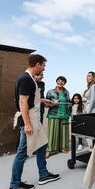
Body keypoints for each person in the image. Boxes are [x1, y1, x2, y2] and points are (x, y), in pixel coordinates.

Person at [10, 54, 60, 189]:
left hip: (35, 120)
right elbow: (23, 102)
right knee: (22, 153)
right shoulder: (26, 79)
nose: (44, 69)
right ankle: (14, 184)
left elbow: (31, 100)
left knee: (42, 145)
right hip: (29, 121)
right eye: (43, 66)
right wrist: (27, 124)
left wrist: (44, 101)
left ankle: (43, 175)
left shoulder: (31, 79)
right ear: (37, 64)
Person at [46, 76, 71, 157]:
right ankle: (51, 150)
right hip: (54, 114)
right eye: (59, 81)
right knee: (53, 133)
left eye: (63, 81)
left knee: (64, 133)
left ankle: (64, 147)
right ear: (56, 81)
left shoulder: (67, 92)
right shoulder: (50, 92)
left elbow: (69, 103)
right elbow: (46, 104)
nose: (60, 82)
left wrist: (69, 113)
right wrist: (52, 104)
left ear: (64, 83)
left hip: (65, 114)